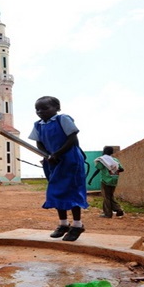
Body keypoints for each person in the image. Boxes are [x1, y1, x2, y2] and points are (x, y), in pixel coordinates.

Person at [28, 96, 89, 242]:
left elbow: (72, 139)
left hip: (70, 159)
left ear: (57, 108)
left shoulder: (63, 119)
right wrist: (48, 155)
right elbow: (39, 143)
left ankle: (77, 225)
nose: (40, 111)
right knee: (56, 191)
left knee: (72, 191)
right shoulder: (38, 125)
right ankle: (63, 224)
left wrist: (57, 153)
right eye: (37, 109)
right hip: (53, 161)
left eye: (45, 108)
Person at [88, 146, 125, 218]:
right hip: (114, 180)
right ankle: (118, 209)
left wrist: (91, 178)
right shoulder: (115, 160)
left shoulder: (102, 160)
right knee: (110, 196)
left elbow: (98, 169)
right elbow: (121, 169)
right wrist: (113, 171)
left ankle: (108, 213)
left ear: (104, 151)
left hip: (105, 180)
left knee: (106, 197)